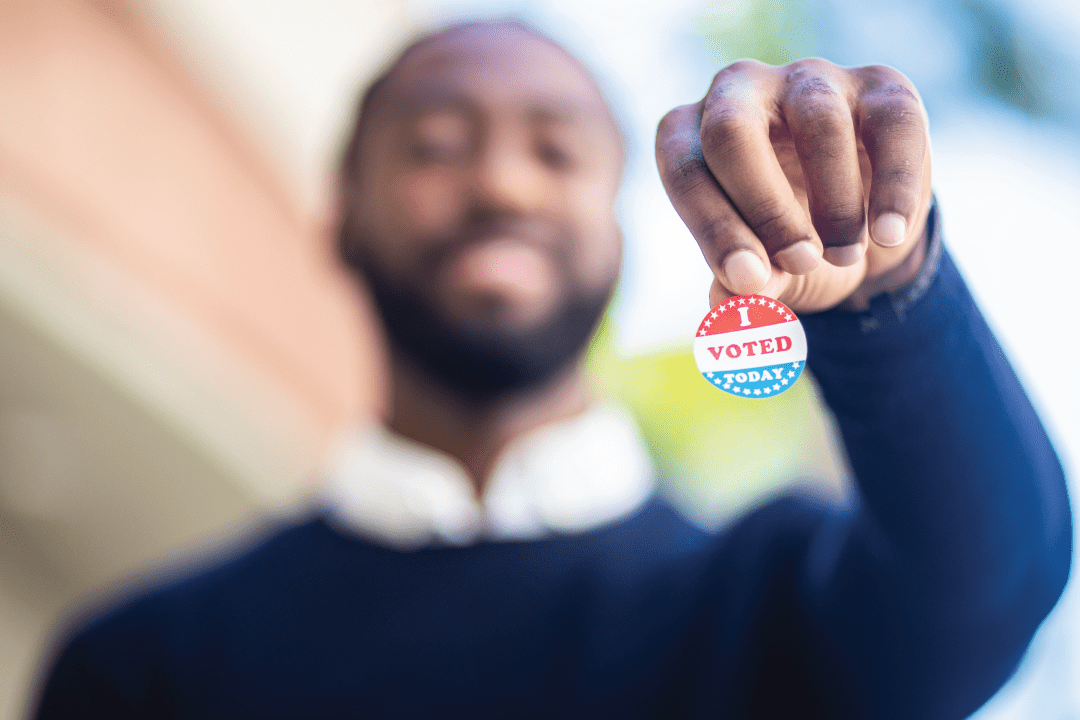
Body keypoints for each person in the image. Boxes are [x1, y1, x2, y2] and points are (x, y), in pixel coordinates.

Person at [33, 19, 1070, 719]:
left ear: (620, 236)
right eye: (436, 144)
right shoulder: (143, 666)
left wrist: (890, 291)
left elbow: (991, 582)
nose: (501, 183)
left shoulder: (768, 603)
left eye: (558, 151)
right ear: (340, 221)